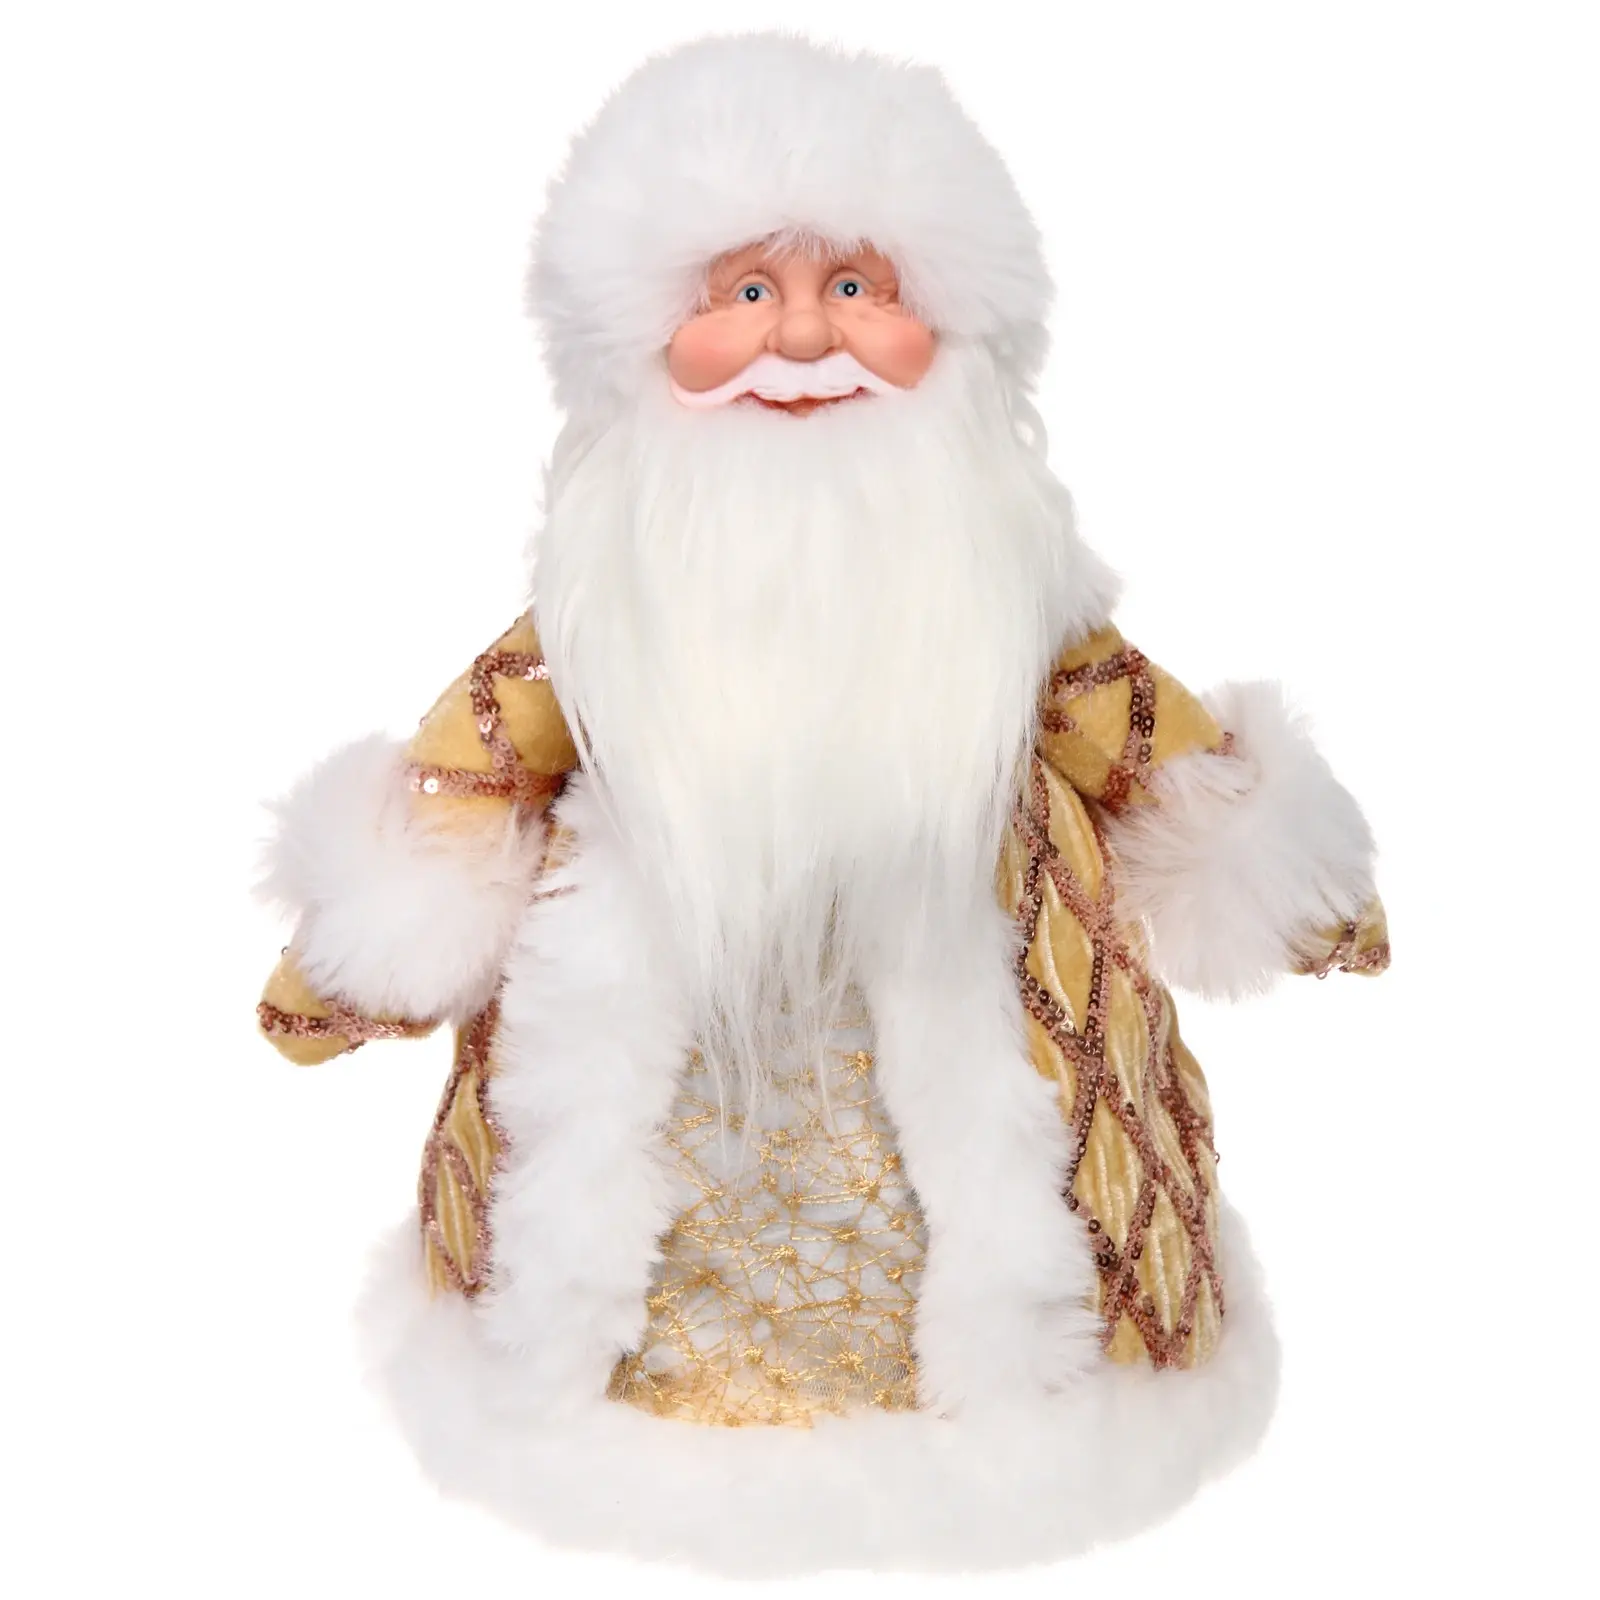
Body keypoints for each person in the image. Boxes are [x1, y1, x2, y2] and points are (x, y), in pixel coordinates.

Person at [258, 32, 1388, 1573]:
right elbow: (471, 774)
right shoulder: (597, 622)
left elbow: (1149, 745)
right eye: (744, 292)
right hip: (658, 1068)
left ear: (954, 333)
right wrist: (357, 957)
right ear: (644, 342)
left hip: (997, 1008)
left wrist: (1288, 878)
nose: (800, 337)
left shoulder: (1011, 606)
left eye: (853, 288)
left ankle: (1016, 1416)